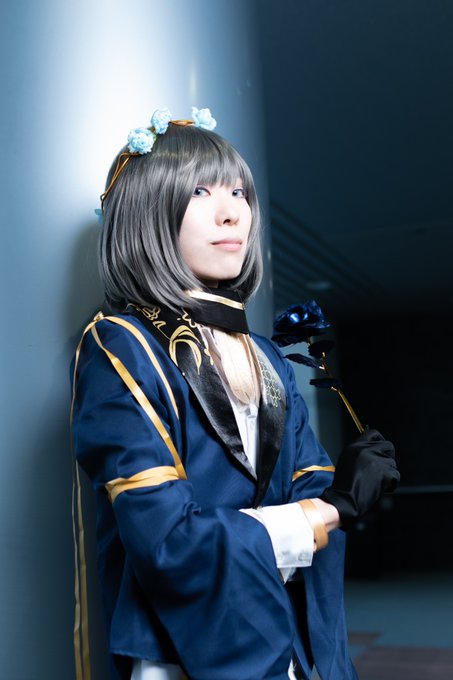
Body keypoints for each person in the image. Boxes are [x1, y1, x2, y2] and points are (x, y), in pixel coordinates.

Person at [71, 107, 399, 680]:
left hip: (281, 640)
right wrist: (333, 509)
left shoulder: (265, 355)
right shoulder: (122, 345)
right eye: (200, 191)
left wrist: (342, 489)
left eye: (239, 192)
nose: (232, 213)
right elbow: (167, 540)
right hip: (182, 653)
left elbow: (308, 484)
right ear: (147, 212)